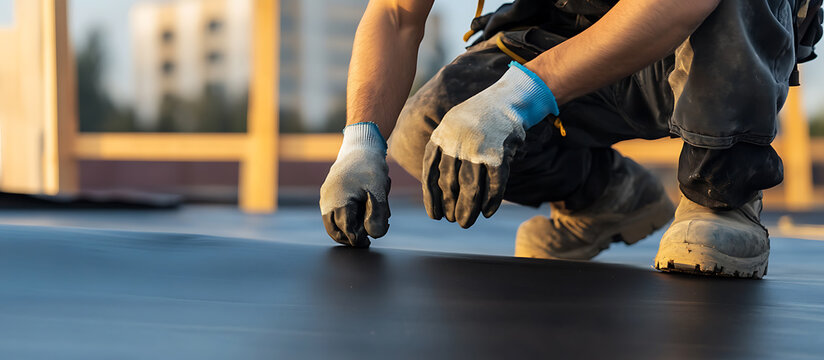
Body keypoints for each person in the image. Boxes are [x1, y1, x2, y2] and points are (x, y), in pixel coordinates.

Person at [319, 0, 822, 278]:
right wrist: (361, 142)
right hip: (579, 39)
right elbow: (395, 14)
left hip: (702, 39)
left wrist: (517, 96)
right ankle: (604, 194)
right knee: (428, 127)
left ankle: (723, 193)